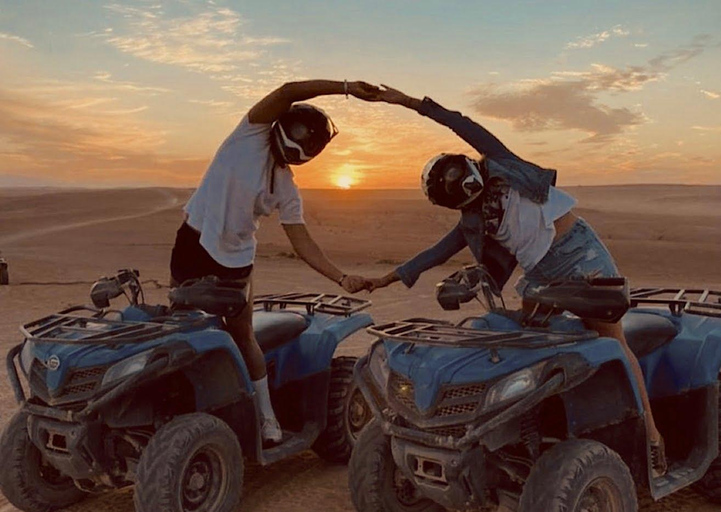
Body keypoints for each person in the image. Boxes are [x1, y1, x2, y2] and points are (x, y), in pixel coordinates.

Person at [367, 85, 667, 476]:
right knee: (524, 342)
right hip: (539, 274)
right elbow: (435, 253)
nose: (463, 184)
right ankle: (536, 431)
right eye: (452, 187)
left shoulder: (501, 162)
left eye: (461, 174)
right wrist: (385, 278)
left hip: (580, 255)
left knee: (613, 340)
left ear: (469, 165)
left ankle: (652, 436)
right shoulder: (472, 222)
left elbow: (461, 123)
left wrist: (408, 102)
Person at [170, 80, 379, 444]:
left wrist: (340, 277)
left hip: (235, 263)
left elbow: (301, 241)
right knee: (180, 327)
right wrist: (345, 87)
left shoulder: (286, 186)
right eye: (302, 136)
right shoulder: (250, 134)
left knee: (242, 335)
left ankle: (265, 417)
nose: (303, 147)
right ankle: (182, 407)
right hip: (193, 243)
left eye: (311, 145)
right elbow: (287, 90)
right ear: (286, 125)